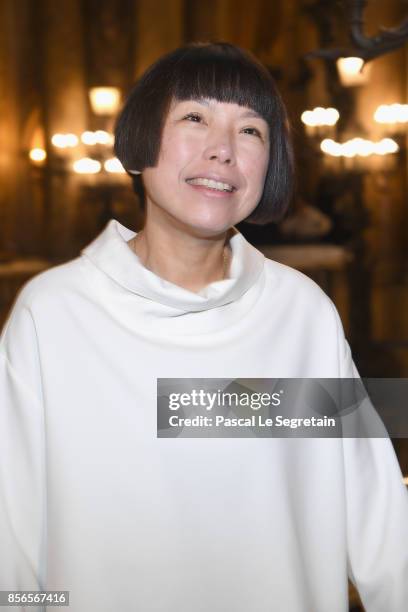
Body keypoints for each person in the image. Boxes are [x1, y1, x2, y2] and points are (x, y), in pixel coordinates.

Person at [0, 41, 407, 612]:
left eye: (251, 131)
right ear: (140, 142)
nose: (222, 151)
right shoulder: (54, 315)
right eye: (195, 117)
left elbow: (379, 521)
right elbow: (10, 536)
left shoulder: (300, 314)